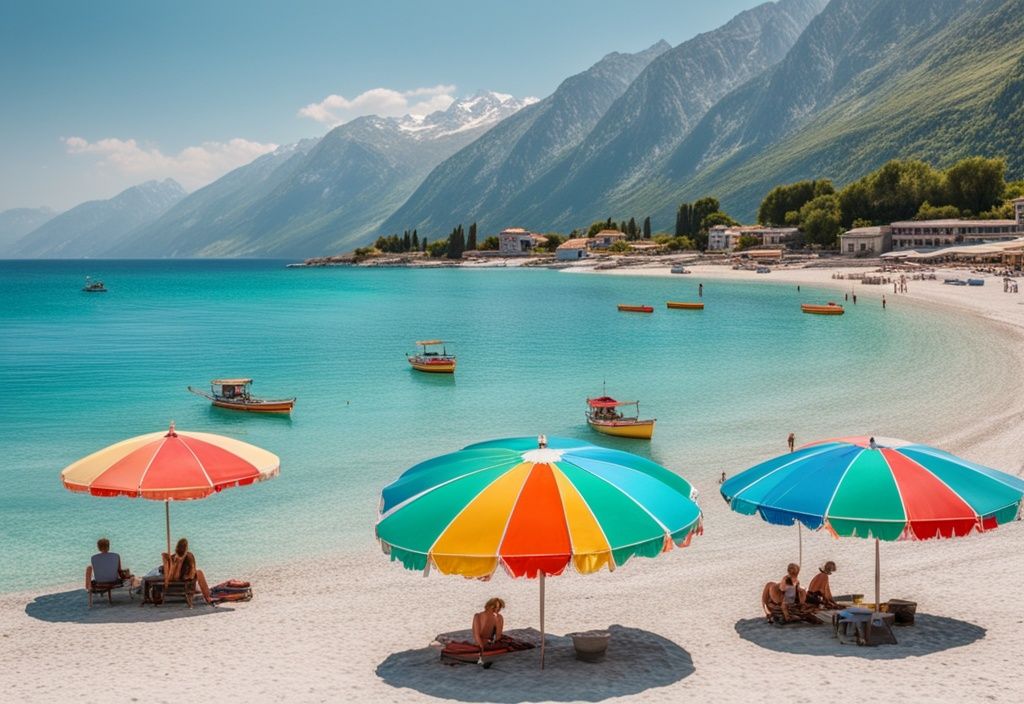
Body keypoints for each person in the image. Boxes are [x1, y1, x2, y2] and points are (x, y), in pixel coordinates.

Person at [163, 537, 216, 606]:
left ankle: (207, 595)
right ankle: (208, 597)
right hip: (183, 582)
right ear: (186, 548)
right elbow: (191, 575)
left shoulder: (172, 557)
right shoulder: (189, 556)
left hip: (171, 582)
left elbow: (170, 576)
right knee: (199, 572)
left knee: (197, 572)